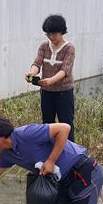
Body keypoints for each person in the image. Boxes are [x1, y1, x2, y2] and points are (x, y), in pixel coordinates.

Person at [25, 14, 77, 142]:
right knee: (47, 123)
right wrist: (31, 73)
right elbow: (37, 63)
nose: (51, 37)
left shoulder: (69, 48)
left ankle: (70, 150)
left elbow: (65, 70)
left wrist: (50, 81)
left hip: (64, 92)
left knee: (66, 123)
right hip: (46, 92)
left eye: (54, 34)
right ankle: (49, 148)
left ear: (62, 32)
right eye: (48, 34)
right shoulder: (44, 46)